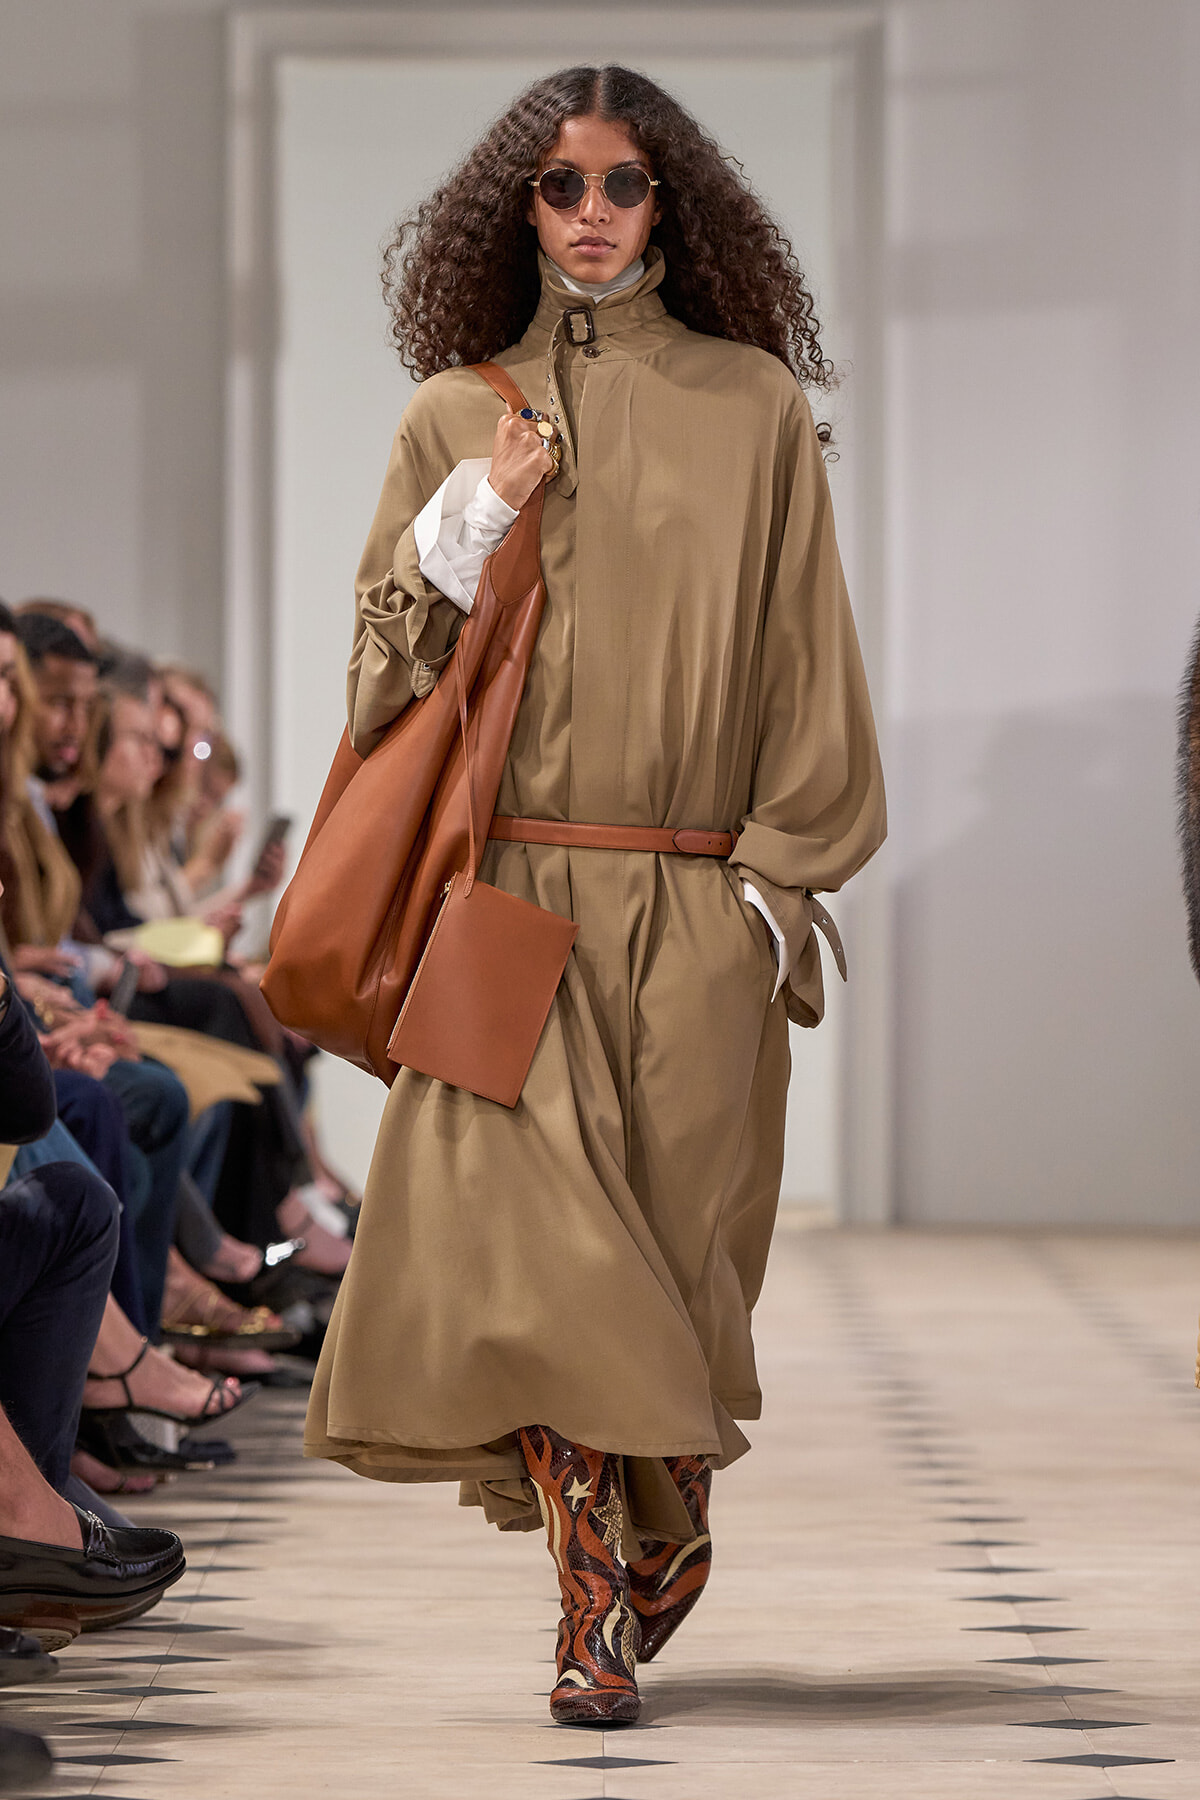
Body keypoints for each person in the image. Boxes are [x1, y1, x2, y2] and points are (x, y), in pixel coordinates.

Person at [302, 64, 886, 1726]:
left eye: (623, 183)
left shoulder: (754, 402)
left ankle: (668, 1536)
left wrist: (780, 883)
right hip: (509, 908)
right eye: (558, 186)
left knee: (678, 1288)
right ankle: (587, 1612)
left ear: (670, 203)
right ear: (518, 206)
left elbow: (805, 658)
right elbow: (377, 689)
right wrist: (474, 515)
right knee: (540, 1272)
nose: (590, 214)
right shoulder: (451, 412)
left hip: (694, 908)